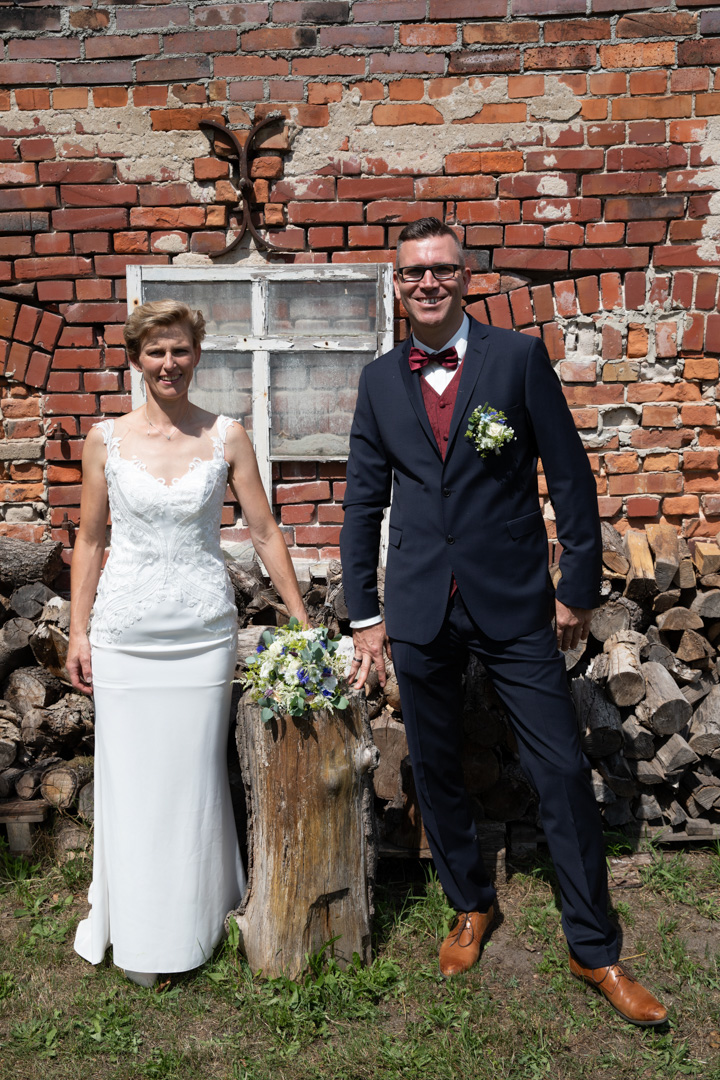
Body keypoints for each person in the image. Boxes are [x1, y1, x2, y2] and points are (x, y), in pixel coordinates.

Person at [340, 217, 667, 1027]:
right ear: (397, 283)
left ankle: (594, 947)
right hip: (419, 602)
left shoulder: (516, 359)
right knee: (436, 763)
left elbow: (570, 476)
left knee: (560, 768)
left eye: (442, 269)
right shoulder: (378, 380)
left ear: (466, 276)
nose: (428, 283)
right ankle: (470, 902)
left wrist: (576, 586)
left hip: (515, 600)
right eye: (413, 272)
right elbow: (362, 503)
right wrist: (365, 615)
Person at [67, 299, 307, 988]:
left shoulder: (227, 435)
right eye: (155, 351)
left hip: (202, 635)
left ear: (197, 356)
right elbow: (90, 539)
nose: (168, 363)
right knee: (133, 782)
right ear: (136, 359)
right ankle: (140, 931)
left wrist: (299, 619)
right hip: (126, 634)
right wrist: (79, 632)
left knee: (193, 781)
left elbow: (264, 531)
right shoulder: (104, 440)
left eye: (180, 350)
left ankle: (197, 920)